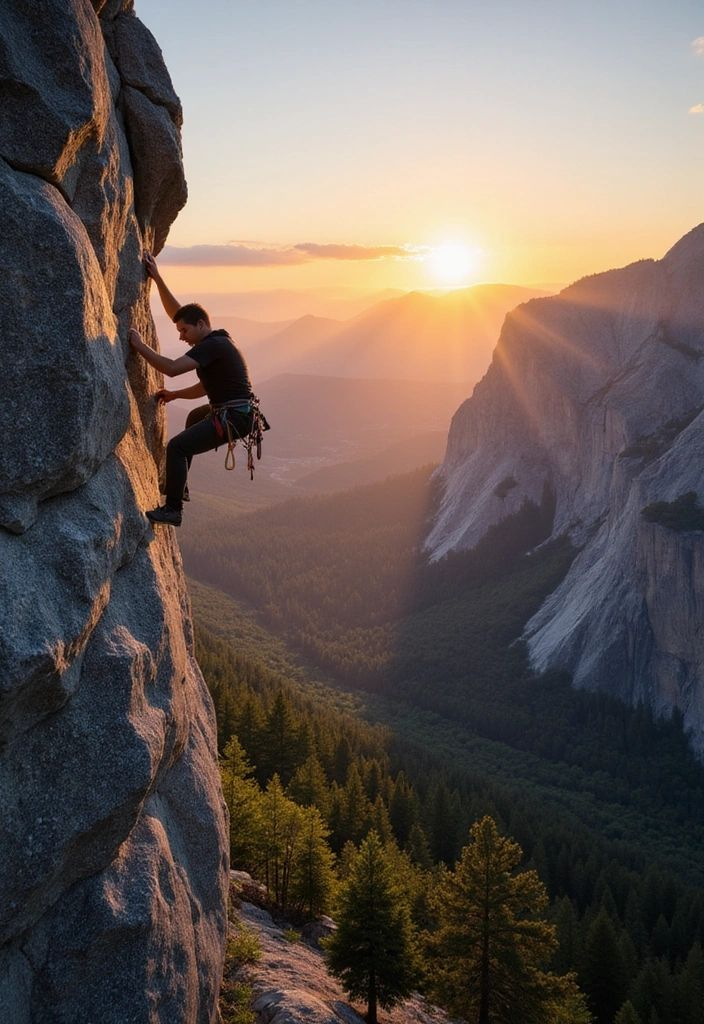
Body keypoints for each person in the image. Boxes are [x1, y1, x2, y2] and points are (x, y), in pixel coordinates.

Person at [128, 250, 254, 526]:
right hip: (236, 413)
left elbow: (172, 368)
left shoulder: (212, 346)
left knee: (177, 447)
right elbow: (204, 388)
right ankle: (181, 485)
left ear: (201, 325)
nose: (181, 337)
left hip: (234, 417)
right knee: (195, 417)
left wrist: (139, 346)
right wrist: (157, 278)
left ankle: (173, 510)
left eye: (184, 332)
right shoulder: (214, 341)